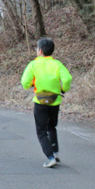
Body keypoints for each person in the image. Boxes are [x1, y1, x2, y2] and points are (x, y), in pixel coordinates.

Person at [21, 37, 72, 168]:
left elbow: (25, 82)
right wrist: (63, 89)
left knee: (41, 131)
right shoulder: (57, 64)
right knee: (52, 127)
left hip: (40, 101)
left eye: (37, 48)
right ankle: (55, 153)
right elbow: (67, 79)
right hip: (55, 101)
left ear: (40, 51)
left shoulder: (33, 64)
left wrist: (31, 85)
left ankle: (50, 157)